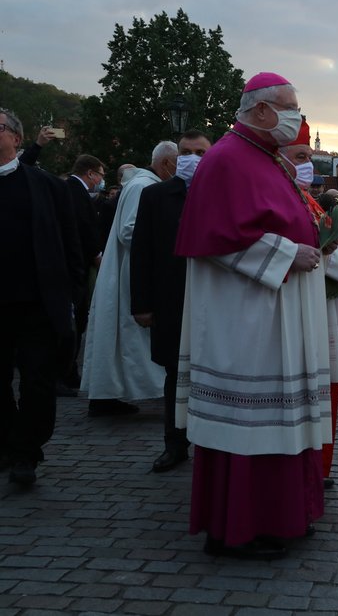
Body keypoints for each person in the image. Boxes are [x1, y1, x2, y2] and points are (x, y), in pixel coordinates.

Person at [173, 72, 330, 559]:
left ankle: (280, 514)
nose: (296, 116)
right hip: (245, 319)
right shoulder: (226, 158)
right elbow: (220, 237)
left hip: (271, 310)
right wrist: (287, 255)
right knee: (250, 420)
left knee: (276, 420)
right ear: (260, 110)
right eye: (289, 106)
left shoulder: (260, 156)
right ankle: (236, 529)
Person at [0, 108, 85, 487]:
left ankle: (26, 453)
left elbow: (70, 243)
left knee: (37, 381)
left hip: (37, 302)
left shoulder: (47, 186)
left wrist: (72, 292)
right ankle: (7, 442)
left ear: (16, 139)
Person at [279, 118, 338, 488]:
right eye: (301, 156)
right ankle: (310, 468)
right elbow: (317, 250)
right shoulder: (287, 199)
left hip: (325, 305)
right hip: (307, 306)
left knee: (326, 394)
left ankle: (318, 467)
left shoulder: (308, 199)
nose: (307, 164)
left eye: (309, 156)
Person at [130, 130, 212, 473]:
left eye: (200, 152)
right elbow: (141, 252)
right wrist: (141, 304)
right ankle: (174, 443)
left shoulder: (222, 194)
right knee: (174, 376)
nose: (192, 158)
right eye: (186, 152)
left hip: (213, 301)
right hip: (170, 299)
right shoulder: (155, 195)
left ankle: (211, 444)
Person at [81, 142, 177, 416]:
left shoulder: (140, 184)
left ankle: (109, 394)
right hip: (129, 273)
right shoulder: (144, 187)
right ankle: (110, 395)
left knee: (120, 338)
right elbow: (129, 230)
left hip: (126, 270)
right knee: (128, 336)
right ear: (166, 164)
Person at [61, 154, 105, 394]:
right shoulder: (75, 192)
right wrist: (96, 254)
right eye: (99, 174)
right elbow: (83, 228)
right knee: (75, 319)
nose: (100, 179)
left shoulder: (72, 190)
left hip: (76, 263)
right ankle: (65, 373)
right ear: (90, 173)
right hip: (75, 266)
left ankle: (67, 373)